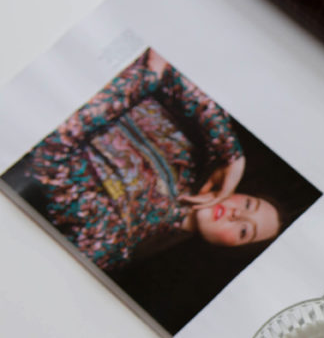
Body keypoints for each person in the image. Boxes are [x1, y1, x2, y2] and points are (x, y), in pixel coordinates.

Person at [13, 48, 281, 272]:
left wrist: (144, 78)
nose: (237, 214)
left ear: (226, 251)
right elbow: (170, 63)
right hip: (83, 50)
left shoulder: (114, 241)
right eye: (248, 203)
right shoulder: (199, 153)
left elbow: (46, 152)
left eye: (245, 231)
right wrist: (233, 155)